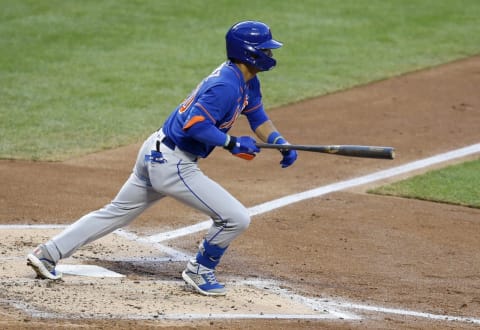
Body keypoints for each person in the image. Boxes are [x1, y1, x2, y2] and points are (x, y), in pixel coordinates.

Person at [26, 20, 297, 296]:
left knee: (115, 212)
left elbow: (258, 117)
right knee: (236, 218)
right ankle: (199, 270)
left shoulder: (247, 81)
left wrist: (280, 142)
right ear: (248, 52)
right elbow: (196, 124)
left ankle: (48, 252)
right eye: (265, 49)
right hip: (172, 162)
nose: (270, 54)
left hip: (156, 151)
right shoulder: (226, 86)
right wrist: (232, 143)